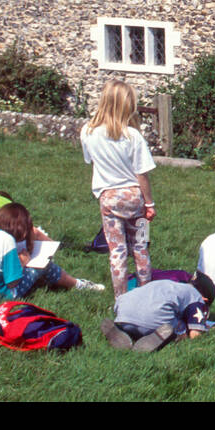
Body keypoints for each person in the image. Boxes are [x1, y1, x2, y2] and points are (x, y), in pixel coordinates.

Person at [82, 80, 157, 298]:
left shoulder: (87, 131)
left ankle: (120, 298)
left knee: (117, 250)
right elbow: (141, 174)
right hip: (135, 198)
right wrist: (149, 203)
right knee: (141, 247)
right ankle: (145, 295)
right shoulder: (133, 136)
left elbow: (91, 160)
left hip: (109, 198)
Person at [0, 202, 105, 296]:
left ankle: (59, 283)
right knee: (44, 266)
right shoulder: (7, 240)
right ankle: (78, 284)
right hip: (0, 293)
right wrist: (23, 262)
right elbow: (13, 282)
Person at [101, 271, 215, 352]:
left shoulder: (169, 284)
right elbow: (195, 334)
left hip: (123, 313)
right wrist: (205, 329)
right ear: (205, 299)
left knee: (165, 312)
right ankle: (162, 337)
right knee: (182, 328)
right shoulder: (197, 297)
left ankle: (125, 333)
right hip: (153, 319)